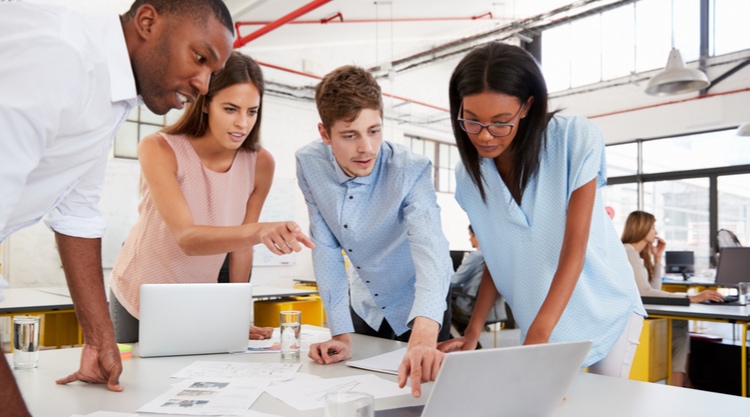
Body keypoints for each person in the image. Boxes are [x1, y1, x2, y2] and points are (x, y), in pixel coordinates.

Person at [0, 1, 235, 414]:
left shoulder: (113, 95)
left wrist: (98, 339)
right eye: (199, 58)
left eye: (212, 73)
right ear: (147, 22)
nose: (203, 84)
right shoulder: (61, 57)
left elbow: (78, 213)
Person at [438, 42, 646, 378]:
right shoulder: (468, 175)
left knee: (606, 407)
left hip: (602, 307)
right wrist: (472, 332)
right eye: (472, 121)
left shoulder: (573, 138)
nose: (486, 136)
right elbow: (496, 254)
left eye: (501, 122)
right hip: (540, 320)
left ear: (527, 106)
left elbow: (574, 247)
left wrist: (538, 335)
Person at [109, 51, 313, 344]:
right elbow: (187, 238)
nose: (242, 124)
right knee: (134, 382)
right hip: (138, 294)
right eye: (230, 109)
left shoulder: (260, 163)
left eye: (251, 111)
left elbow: (241, 248)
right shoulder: (159, 148)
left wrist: (237, 313)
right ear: (205, 104)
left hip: (199, 299)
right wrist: (260, 231)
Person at [295, 65, 453, 398]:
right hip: (365, 303)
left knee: (424, 398)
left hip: (423, 303)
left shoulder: (411, 168)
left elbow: (430, 246)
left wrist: (424, 335)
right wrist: (339, 333)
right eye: (350, 135)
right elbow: (324, 246)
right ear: (325, 133)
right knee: (360, 394)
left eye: (375, 130)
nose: (366, 147)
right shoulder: (309, 163)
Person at [621, 210, 723, 386]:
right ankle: (680, 382)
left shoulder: (637, 254)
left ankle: (680, 381)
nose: (656, 232)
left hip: (639, 310)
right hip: (629, 316)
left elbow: (653, 290)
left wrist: (658, 258)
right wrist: (691, 297)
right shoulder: (628, 251)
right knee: (679, 324)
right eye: (653, 227)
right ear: (641, 228)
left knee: (680, 323)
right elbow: (645, 293)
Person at [450, 225, 508, 336]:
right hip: (495, 310)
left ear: (478, 235)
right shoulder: (497, 255)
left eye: (470, 235)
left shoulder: (476, 256)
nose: (469, 239)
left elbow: (454, 281)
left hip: (470, 306)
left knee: (443, 303)